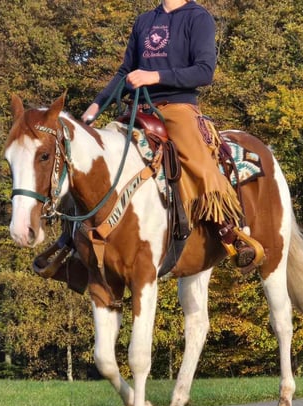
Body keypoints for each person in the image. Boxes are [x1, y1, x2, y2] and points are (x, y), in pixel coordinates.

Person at [82, 0, 261, 268]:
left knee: (198, 160)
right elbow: (124, 71)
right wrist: (96, 106)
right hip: (138, 108)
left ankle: (229, 228)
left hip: (177, 107)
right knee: (96, 158)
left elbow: (204, 71)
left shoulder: (198, 17)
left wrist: (154, 76)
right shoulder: (144, 20)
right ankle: (74, 242)